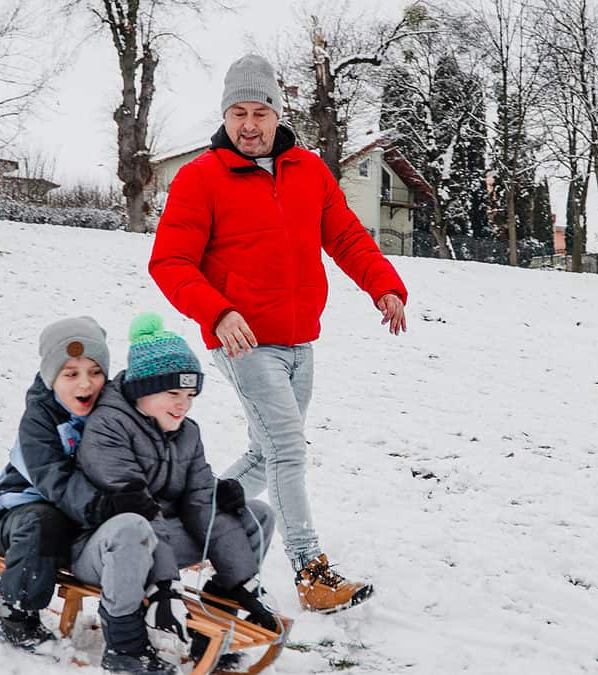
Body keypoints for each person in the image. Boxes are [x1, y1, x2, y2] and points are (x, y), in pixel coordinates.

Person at [149, 53, 408, 614]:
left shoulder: (308, 171)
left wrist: (383, 285)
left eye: (259, 112)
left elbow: (346, 237)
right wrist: (217, 313)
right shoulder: (201, 178)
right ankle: (310, 572)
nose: (248, 124)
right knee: (288, 451)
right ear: (225, 115)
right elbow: (169, 261)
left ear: (276, 112)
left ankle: (189, 522)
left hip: (299, 340)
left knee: (266, 457)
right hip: (243, 342)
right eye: (237, 112)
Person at [76, 313, 280, 671]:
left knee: (255, 513)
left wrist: (243, 579)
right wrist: (166, 587)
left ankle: (216, 615)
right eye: (173, 393)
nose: (183, 404)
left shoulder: (187, 432)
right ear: (142, 389)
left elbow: (200, 499)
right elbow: (138, 509)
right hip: (103, 548)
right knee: (132, 526)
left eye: (190, 394)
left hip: (159, 540)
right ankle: (125, 649)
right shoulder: (107, 428)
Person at [0, 316, 163, 666]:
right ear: (51, 378)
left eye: (96, 372)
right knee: (44, 522)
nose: (86, 384)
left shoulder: (115, 414)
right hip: (22, 515)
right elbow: (56, 481)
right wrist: (105, 506)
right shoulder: (38, 421)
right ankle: (18, 615)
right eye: (71, 374)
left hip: (86, 521)